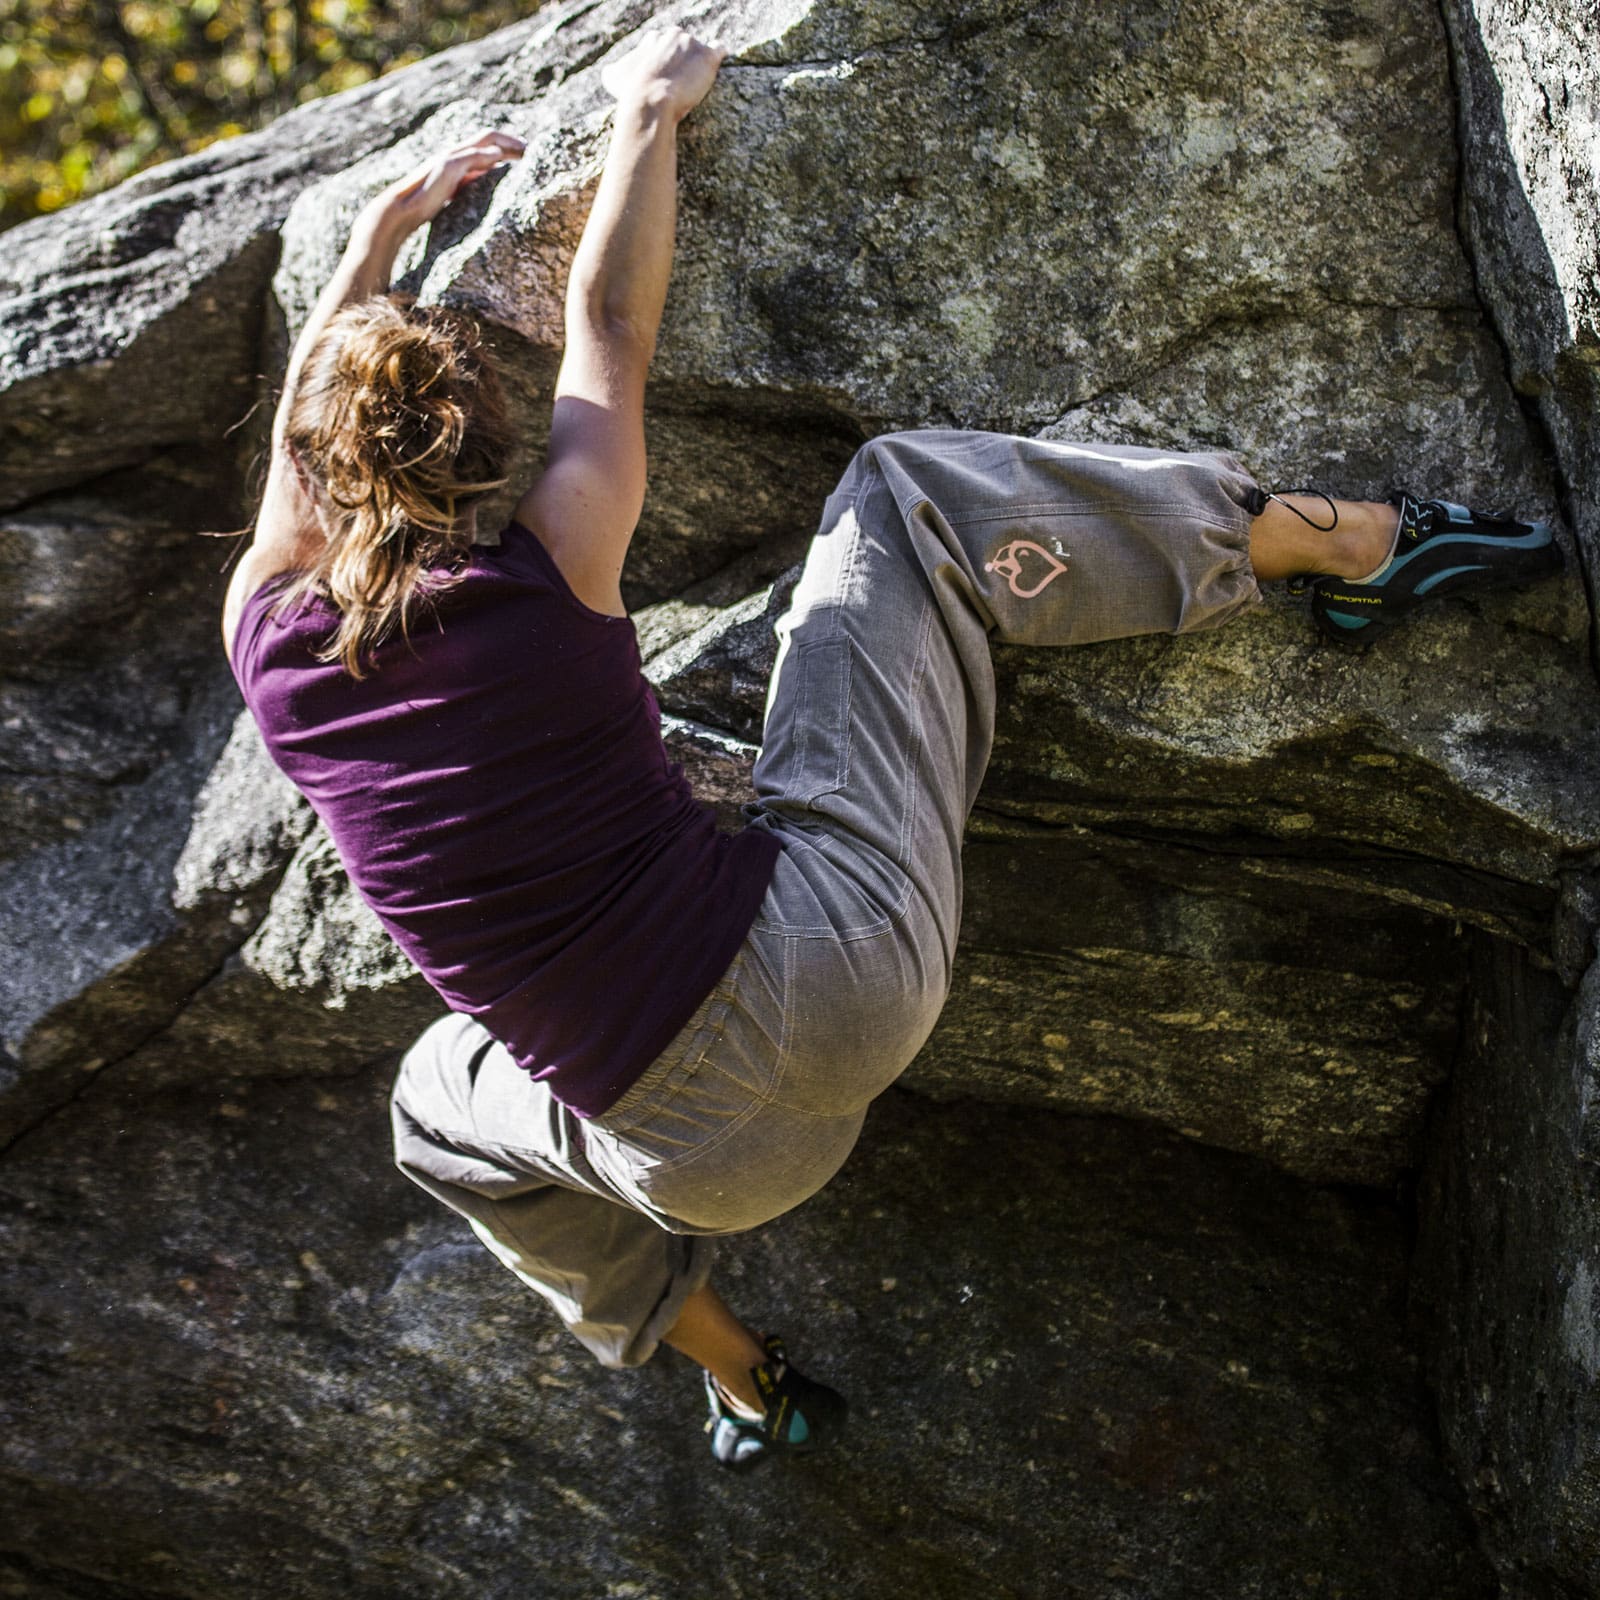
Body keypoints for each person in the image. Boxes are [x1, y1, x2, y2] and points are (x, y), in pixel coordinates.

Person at [222, 29, 1561, 1471]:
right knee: (903, 494)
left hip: (696, 1168)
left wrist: (365, 243)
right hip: (831, 958)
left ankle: (738, 1377)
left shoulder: (269, 646)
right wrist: (644, 116)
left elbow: (295, 488)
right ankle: (1348, 546)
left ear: (311, 478)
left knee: (434, 1113)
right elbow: (613, 321)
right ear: (483, 457)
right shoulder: (554, 556)